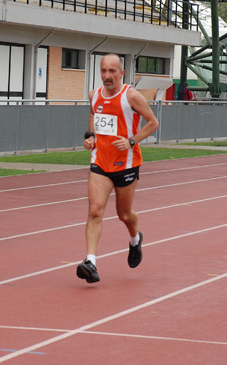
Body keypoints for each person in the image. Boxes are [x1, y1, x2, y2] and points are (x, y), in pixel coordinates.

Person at [76, 54, 159, 283]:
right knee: (95, 210)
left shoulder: (131, 96)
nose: (107, 76)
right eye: (103, 71)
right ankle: (90, 261)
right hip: (100, 162)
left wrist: (132, 140)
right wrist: (91, 136)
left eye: (112, 71)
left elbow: (153, 122)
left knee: (124, 214)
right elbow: (94, 113)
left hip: (127, 164)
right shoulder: (94, 95)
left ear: (121, 73)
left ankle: (135, 239)